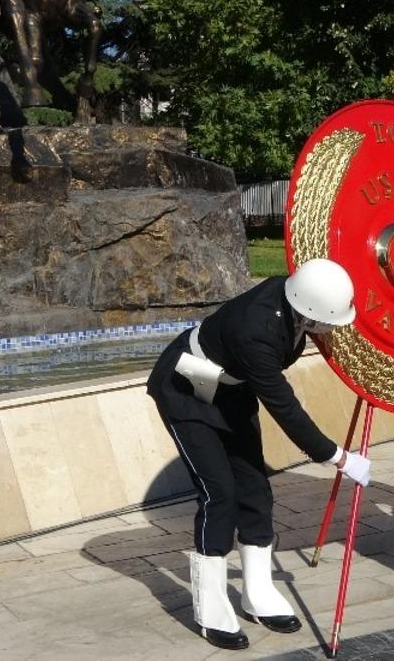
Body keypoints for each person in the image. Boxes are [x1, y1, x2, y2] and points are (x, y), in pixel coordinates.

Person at [145, 259, 372, 651]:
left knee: (255, 491)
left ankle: (258, 594)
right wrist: (337, 457)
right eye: (331, 323)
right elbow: (284, 407)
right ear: (310, 316)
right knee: (220, 495)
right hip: (186, 389)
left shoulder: (295, 302)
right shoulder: (257, 329)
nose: (335, 330)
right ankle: (212, 610)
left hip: (230, 389)